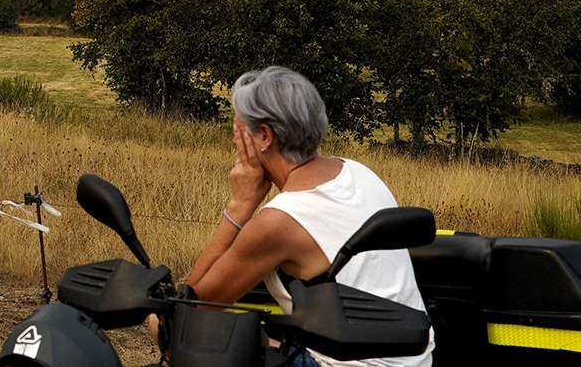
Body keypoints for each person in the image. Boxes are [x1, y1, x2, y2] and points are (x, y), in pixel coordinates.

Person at [181, 66, 433, 367]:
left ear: (264, 136)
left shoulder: (279, 221)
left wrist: (239, 206)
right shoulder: (358, 171)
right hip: (414, 359)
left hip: (346, 364)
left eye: (237, 131)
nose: (235, 143)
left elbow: (191, 308)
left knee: (171, 328)